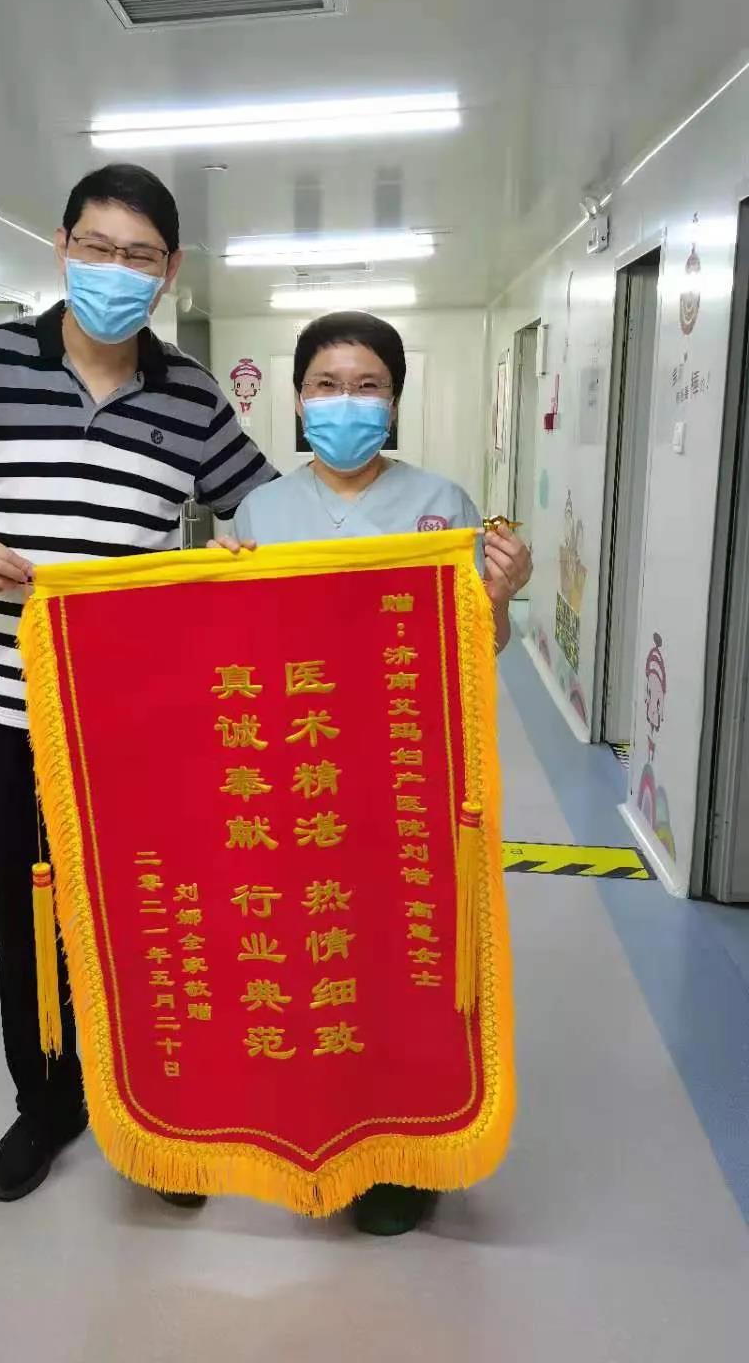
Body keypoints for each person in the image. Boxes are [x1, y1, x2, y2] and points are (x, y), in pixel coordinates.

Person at [0, 163, 276, 1204]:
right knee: (29, 919)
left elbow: (272, 516)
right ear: (62, 246)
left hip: (139, 717)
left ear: (170, 270)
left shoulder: (191, 394)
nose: (116, 270)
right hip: (7, 710)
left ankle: (155, 1113)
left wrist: (251, 553)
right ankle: (48, 1103)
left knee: (147, 915)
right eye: (98, 247)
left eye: (139, 256)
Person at [222, 310, 532, 1235]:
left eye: (368, 387)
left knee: (407, 961)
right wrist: (215, 586)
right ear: (297, 399)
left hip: (406, 774)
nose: (345, 403)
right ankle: (322, 1127)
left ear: (394, 402)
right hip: (301, 775)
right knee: (320, 951)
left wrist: (501, 594)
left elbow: (481, 645)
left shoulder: (444, 502)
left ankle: (407, 1154)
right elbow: (234, 650)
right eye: (326, 385)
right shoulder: (261, 513)